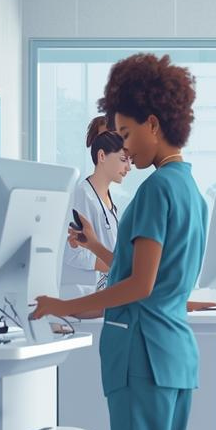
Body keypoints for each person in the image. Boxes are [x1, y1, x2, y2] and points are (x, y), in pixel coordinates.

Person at [31, 53, 207, 430]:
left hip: (143, 358)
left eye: (128, 132)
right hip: (170, 355)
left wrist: (63, 304)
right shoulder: (188, 187)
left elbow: (139, 286)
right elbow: (145, 273)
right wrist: (102, 252)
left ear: (154, 122)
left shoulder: (159, 187)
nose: (124, 147)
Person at [63, 116, 131, 298]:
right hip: (81, 293)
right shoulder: (82, 194)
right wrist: (118, 266)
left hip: (105, 289)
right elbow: (73, 252)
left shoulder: (108, 199)